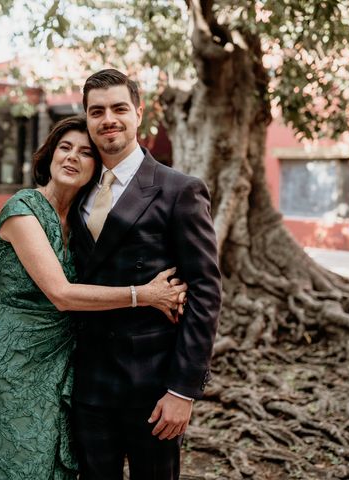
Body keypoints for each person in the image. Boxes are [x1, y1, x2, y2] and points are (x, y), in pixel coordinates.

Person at [0, 116, 188, 480]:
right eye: (64, 148)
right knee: (19, 459)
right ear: (49, 156)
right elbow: (62, 293)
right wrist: (144, 295)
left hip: (66, 361)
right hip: (16, 360)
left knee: (58, 461)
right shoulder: (23, 209)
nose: (72, 158)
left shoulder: (83, 218)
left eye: (85, 152)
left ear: (97, 167)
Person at [69, 69, 222, 479]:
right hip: (88, 382)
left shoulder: (178, 190)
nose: (108, 119)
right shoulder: (77, 189)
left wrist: (183, 390)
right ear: (86, 118)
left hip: (153, 386)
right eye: (96, 111)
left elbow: (206, 292)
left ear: (138, 113)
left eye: (119, 108)